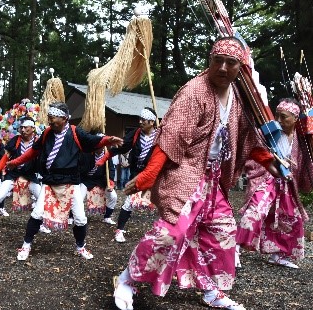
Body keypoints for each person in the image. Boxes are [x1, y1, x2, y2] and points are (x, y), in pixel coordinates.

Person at [112, 37, 280, 310]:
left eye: (231, 63)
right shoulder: (194, 92)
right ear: (209, 60)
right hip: (188, 172)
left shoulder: (239, 96)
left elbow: (247, 136)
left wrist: (265, 158)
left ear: (241, 68)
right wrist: (149, 174)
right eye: (218, 60)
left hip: (215, 178)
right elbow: (171, 137)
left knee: (223, 233)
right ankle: (127, 280)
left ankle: (211, 290)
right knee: (172, 231)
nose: (223, 68)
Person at [5, 102, 123, 261]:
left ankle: (80, 246)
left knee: (81, 219)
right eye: (49, 117)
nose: (50, 120)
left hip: (70, 182)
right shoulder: (47, 133)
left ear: (64, 118)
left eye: (52, 117)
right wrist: (16, 162)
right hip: (49, 182)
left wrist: (108, 140)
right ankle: (26, 245)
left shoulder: (75, 132)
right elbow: (34, 151)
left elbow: (93, 141)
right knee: (37, 214)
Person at [236, 98, 313, 269]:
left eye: (284, 117)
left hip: (286, 183)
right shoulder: (268, 132)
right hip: (267, 177)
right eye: (277, 115)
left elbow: (304, 162)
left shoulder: (301, 140)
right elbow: (254, 148)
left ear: (295, 118)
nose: (279, 120)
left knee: (289, 218)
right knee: (256, 211)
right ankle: (234, 249)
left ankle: (278, 254)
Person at [97, 107, 159, 243]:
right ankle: (119, 230)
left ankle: (163, 231)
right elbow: (122, 146)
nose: (140, 122)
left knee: (162, 203)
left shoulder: (160, 135)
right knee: (129, 203)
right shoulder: (136, 134)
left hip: (154, 174)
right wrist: (106, 156)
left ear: (152, 122)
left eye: (144, 120)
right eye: (140, 119)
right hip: (137, 173)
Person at [0, 117, 42, 234]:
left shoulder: (38, 141)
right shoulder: (16, 140)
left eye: (26, 127)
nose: (23, 130)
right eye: (21, 127)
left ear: (33, 128)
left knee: (42, 198)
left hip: (30, 175)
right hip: (13, 174)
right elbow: (4, 159)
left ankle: (41, 223)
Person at [78, 134, 117, 225]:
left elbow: (111, 169)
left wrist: (110, 183)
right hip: (86, 179)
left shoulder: (107, 155)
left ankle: (107, 216)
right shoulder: (87, 153)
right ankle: (74, 216)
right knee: (78, 197)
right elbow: (80, 168)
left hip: (101, 180)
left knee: (113, 196)